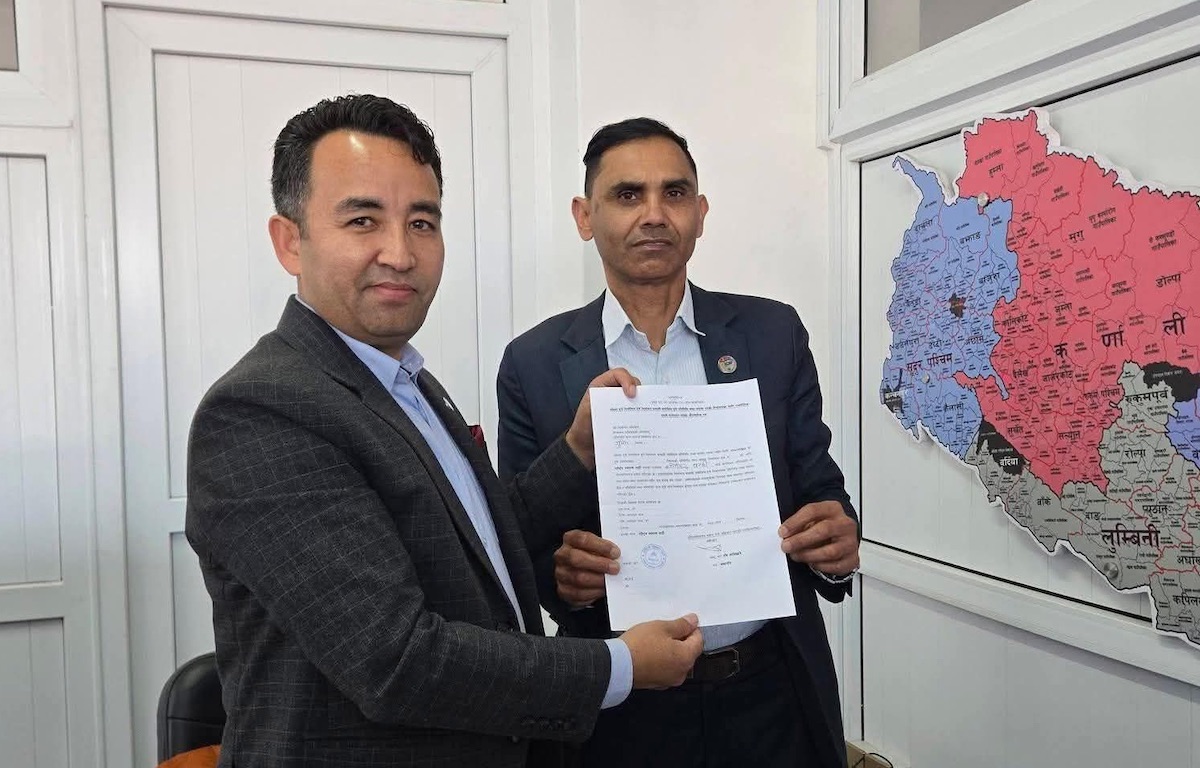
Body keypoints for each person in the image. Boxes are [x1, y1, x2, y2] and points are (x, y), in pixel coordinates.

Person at [185, 96, 705, 768]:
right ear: (290, 240)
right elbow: (395, 659)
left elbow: (476, 547)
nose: (400, 253)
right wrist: (619, 666)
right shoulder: (262, 409)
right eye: (363, 220)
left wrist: (579, 450)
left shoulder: (408, 381)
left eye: (422, 222)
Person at [496, 117, 861, 768]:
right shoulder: (533, 362)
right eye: (627, 195)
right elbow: (517, 539)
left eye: (674, 192)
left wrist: (837, 541)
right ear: (585, 216)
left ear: (700, 213)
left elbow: (818, 485)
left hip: (768, 694)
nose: (654, 214)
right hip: (618, 708)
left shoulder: (772, 334)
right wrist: (566, 582)